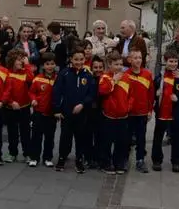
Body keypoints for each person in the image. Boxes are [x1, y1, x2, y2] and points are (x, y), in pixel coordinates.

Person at [53, 45, 96, 173]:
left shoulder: (88, 75)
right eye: (76, 59)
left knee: (80, 136)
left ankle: (79, 159)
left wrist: (82, 104)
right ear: (71, 59)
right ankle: (62, 158)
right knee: (65, 136)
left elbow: (91, 94)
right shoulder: (64, 73)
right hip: (66, 111)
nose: (79, 62)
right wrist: (56, 109)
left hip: (82, 112)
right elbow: (57, 91)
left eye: (81, 59)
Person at [98, 52, 132, 174]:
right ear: (109, 64)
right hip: (109, 115)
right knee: (107, 141)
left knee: (121, 142)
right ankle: (106, 163)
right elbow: (103, 91)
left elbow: (131, 95)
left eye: (121, 64)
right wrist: (113, 80)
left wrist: (128, 107)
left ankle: (119, 163)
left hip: (123, 115)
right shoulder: (105, 77)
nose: (119, 67)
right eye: (116, 64)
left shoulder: (127, 77)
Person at [123, 49, 154, 173]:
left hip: (142, 113)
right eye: (135, 58)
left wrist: (150, 110)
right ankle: (124, 159)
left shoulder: (147, 74)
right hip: (128, 113)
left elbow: (151, 95)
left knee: (141, 138)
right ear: (129, 60)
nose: (138, 60)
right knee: (126, 138)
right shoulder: (125, 75)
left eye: (140, 57)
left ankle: (140, 160)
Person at [2, 49, 34, 165]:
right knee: (12, 132)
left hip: (24, 106)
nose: (21, 62)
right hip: (11, 108)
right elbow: (5, 91)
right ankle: (12, 153)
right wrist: (10, 102)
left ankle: (27, 153)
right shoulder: (6, 73)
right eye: (19, 60)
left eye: (22, 59)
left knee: (25, 131)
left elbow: (31, 79)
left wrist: (27, 65)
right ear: (12, 61)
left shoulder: (25, 72)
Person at [150, 51, 179, 172]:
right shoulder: (160, 76)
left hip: (175, 112)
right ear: (165, 61)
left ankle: (176, 161)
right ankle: (156, 160)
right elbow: (152, 91)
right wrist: (156, 95)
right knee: (158, 137)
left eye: (175, 61)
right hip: (161, 112)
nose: (173, 64)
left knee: (177, 138)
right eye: (170, 61)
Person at [29, 52, 58, 168]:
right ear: (43, 66)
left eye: (52, 64)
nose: (50, 66)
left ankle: (47, 157)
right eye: (47, 64)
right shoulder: (37, 79)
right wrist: (34, 100)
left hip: (51, 113)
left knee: (50, 137)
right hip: (39, 112)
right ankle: (34, 157)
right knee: (36, 136)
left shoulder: (58, 79)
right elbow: (31, 92)